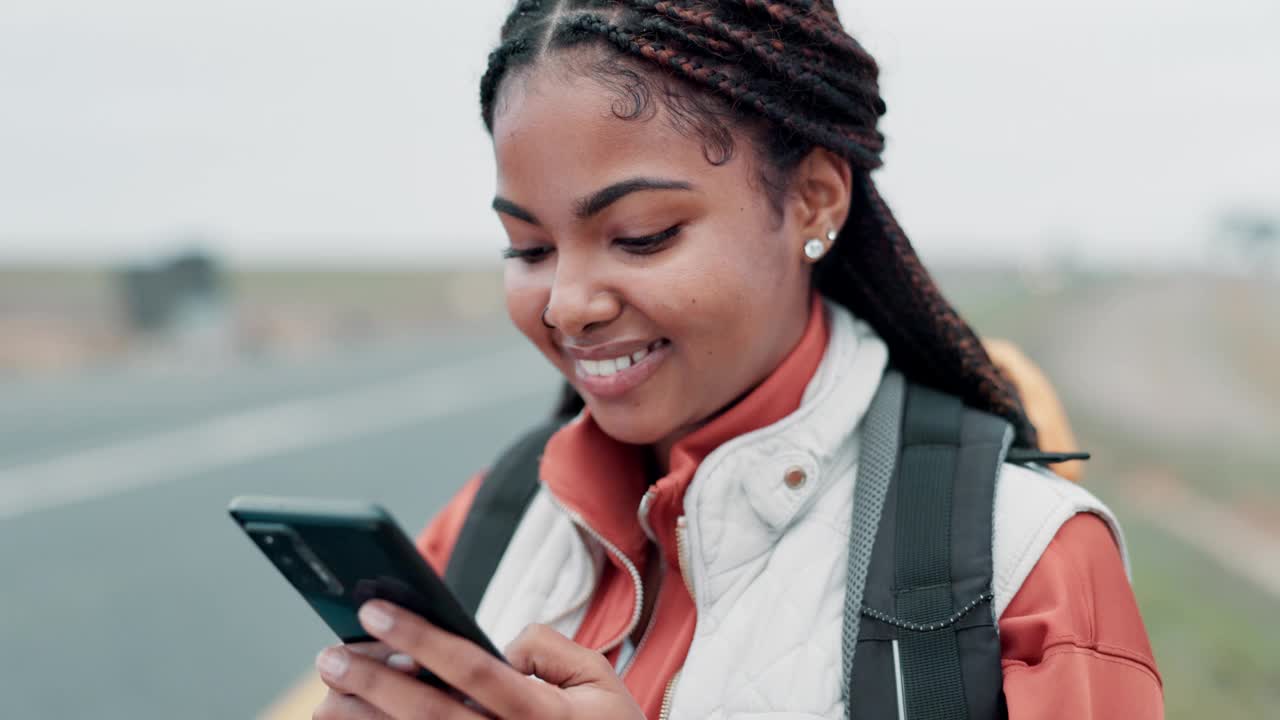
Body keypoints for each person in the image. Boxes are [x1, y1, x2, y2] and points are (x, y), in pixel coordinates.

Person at [308, 2, 1163, 718]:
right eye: (527, 247)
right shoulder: (490, 520)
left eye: (641, 237)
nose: (567, 302)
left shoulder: (1023, 564)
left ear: (813, 200)